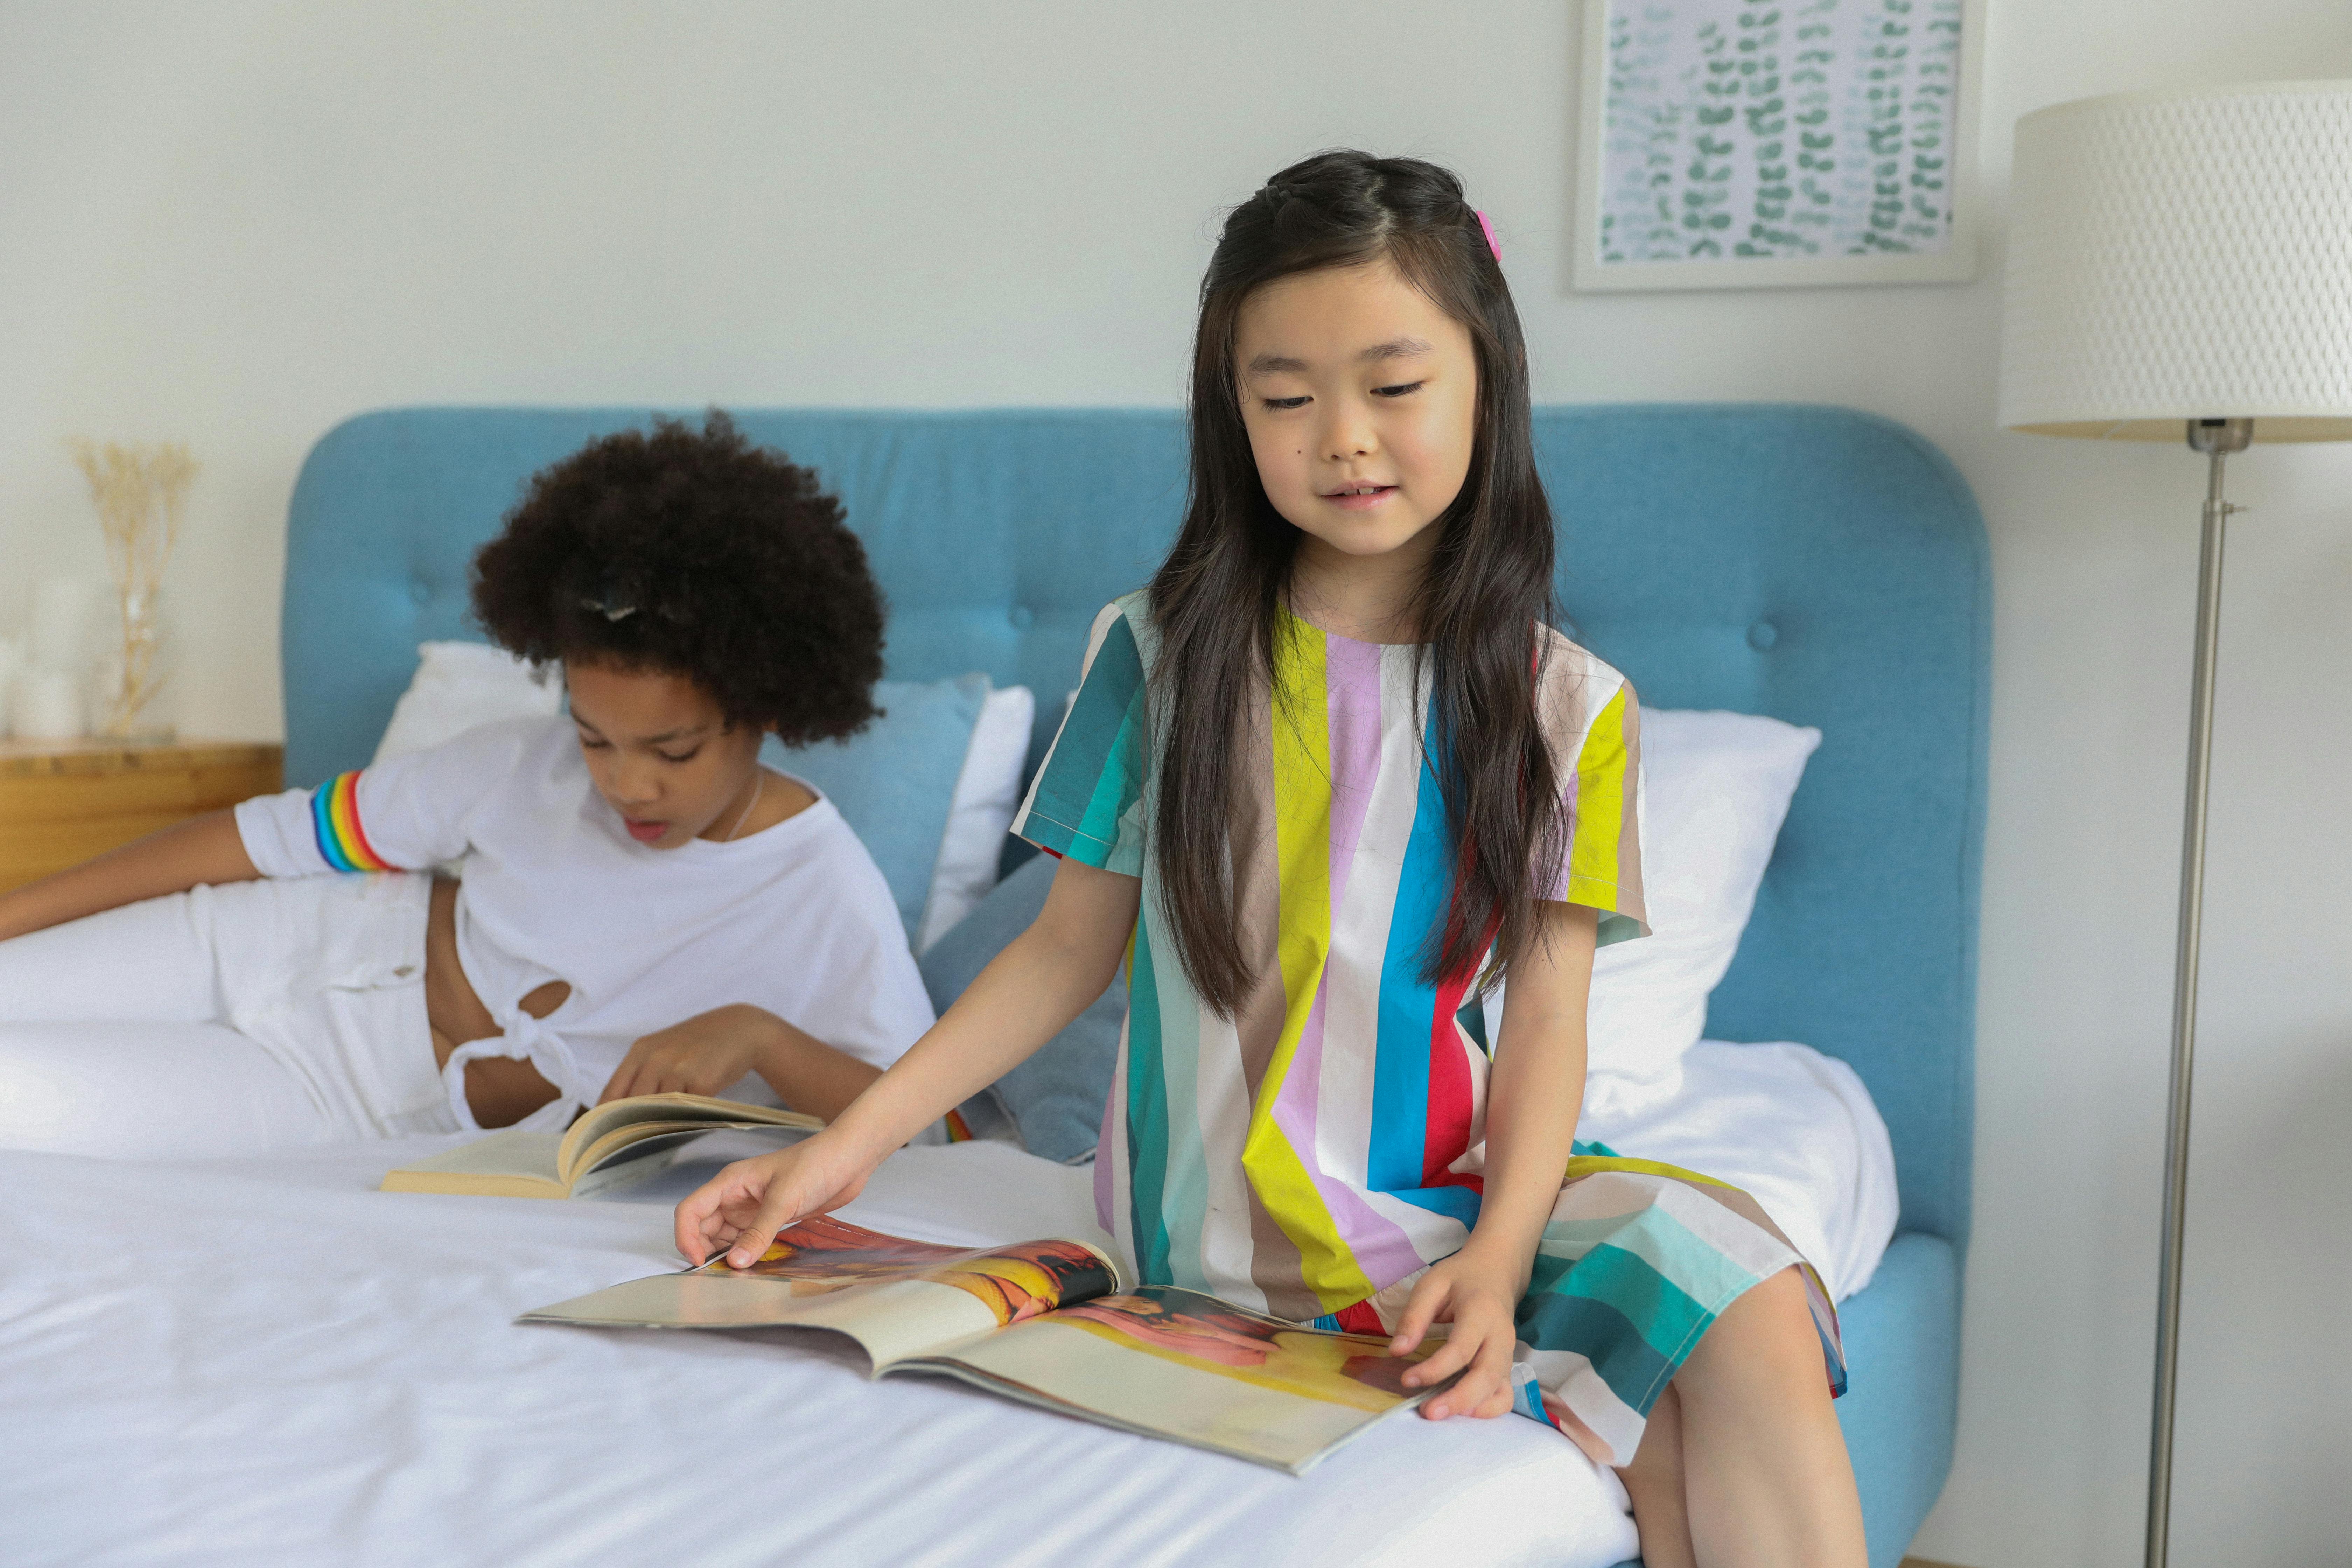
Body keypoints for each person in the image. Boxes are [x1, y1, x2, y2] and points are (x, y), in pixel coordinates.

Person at [675, 155, 1867, 1567]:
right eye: (1286, 398)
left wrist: (1498, 1259)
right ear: (1231, 412)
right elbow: (1064, 947)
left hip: (1451, 1209)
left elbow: (1548, 1020)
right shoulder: (1161, 654)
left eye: (1394, 385)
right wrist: (839, 1152)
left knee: (1748, 1287)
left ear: (1487, 378)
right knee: (1679, 1395)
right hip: (1216, 1232)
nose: (1343, 438)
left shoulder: (1567, 706)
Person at [0, 414, 933, 1157]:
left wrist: (764, 1038)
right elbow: (264, 841)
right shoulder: (520, 766)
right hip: (272, 940)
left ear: (770, 707)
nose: (625, 784)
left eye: (674, 751)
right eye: (595, 736)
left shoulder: (825, 894)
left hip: (342, 1101)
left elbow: (921, 1126)